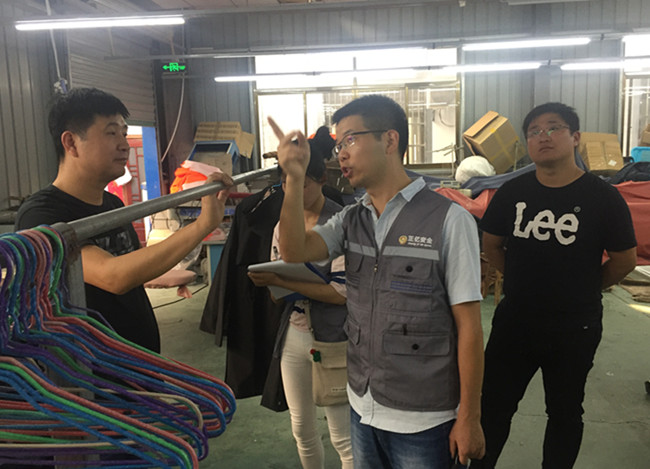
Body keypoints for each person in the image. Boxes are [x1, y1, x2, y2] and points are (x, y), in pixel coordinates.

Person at [268, 95, 486, 468]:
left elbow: (470, 327)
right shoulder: (351, 219)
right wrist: (294, 177)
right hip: (362, 405)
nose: (341, 154)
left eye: (350, 139)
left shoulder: (449, 220)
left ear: (389, 140)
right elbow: (293, 250)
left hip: (424, 418)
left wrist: (469, 416)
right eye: (338, 145)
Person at [474, 102, 637, 469]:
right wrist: (519, 280)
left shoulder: (603, 197)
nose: (542, 137)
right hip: (516, 322)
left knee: (565, 411)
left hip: (575, 327)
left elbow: (625, 259)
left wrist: (585, 288)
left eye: (553, 128)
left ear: (575, 137)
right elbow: (492, 245)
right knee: (494, 406)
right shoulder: (512, 192)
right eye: (534, 132)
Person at [15, 87, 233, 353]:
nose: (124, 145)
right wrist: (204, 224)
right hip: (88, 369)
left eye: (124, 133)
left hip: (136, 362)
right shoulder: (41, 216)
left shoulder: (113, 205)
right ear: (71, 143)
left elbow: (133, 265)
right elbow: (113, 276)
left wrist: (167, 273)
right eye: (111, 133)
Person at [249, 126, 353, 469]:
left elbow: (340, 294)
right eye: (286, 182)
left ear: (322, 180)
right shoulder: (283, 225)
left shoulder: (340, 222)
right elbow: (277, 291)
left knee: (343, 436)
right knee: (302, 429)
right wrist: (275, 283)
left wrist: (281, 279)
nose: (293, 190)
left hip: (334, 337)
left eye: (301, 183)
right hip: (294, 332)